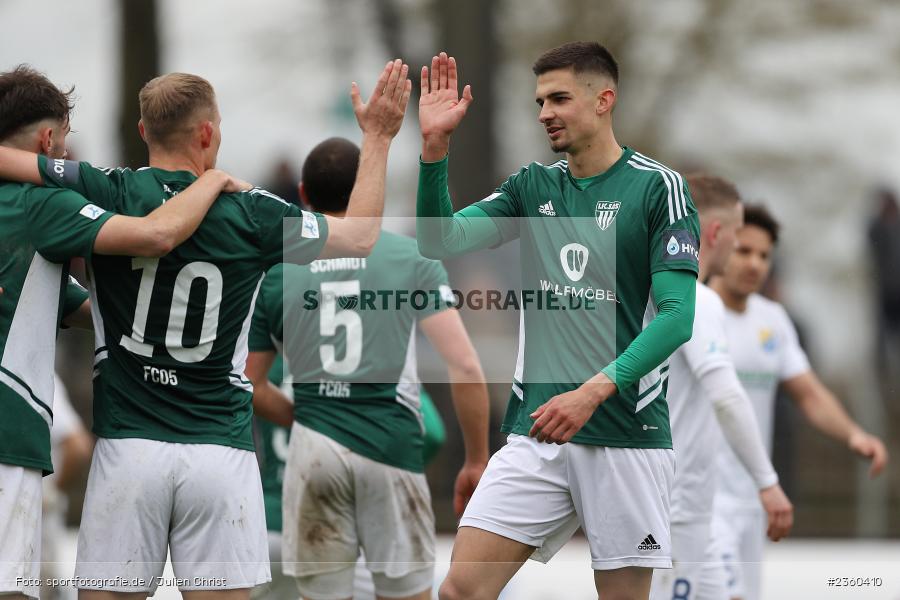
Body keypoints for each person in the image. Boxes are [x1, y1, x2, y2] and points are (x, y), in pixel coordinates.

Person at [0, 61, 411, 599]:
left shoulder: (108, 191)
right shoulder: (255, 211)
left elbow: (18, 163)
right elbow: (359, 238)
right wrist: (378, 136)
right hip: (221, 454)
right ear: (209, 133)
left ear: (144, 132)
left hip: (128, 451)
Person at [416, 44, 700, 600]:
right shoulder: (533, 187)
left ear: (604, 101)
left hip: (625, 437)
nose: (544, 111)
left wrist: (591, 393)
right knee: (459, 591)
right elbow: (437, 239)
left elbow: (677, 317)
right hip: (537, 432)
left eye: (560, 98)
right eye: (540, 100)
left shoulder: (657, 188)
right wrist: (434, 149)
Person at [0, 65, 244, 600]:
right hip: (6, 433)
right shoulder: (40, 205)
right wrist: (214, 183)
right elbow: (157, 233)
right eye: (62, 141)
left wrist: (145, 311)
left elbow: (66, 303)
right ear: (47, 141)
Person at [246, 136, 490, 600]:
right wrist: (476, 458)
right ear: (366, 188)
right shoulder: (411, 259)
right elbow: (465, 366)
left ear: (302, 194)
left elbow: (251, 384)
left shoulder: (277, 270)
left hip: (315, 455)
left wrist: (310, 418)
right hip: (391, 451)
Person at [709, 204, 889, 600]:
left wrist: (854, 434)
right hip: (699, 499)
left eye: (763, 255)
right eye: (744, 251)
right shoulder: (693, 313)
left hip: (754, 498)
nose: (755, 264)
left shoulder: (772, 320)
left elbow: (809, 394)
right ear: (720, 247)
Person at [650, 175, 793, 600]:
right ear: (715, 233)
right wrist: (767, 482)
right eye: (737, 236)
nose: (739, 249)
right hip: (675, 509)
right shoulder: (697, 299)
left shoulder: (652, 288)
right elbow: (727, 396)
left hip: (692, 511)